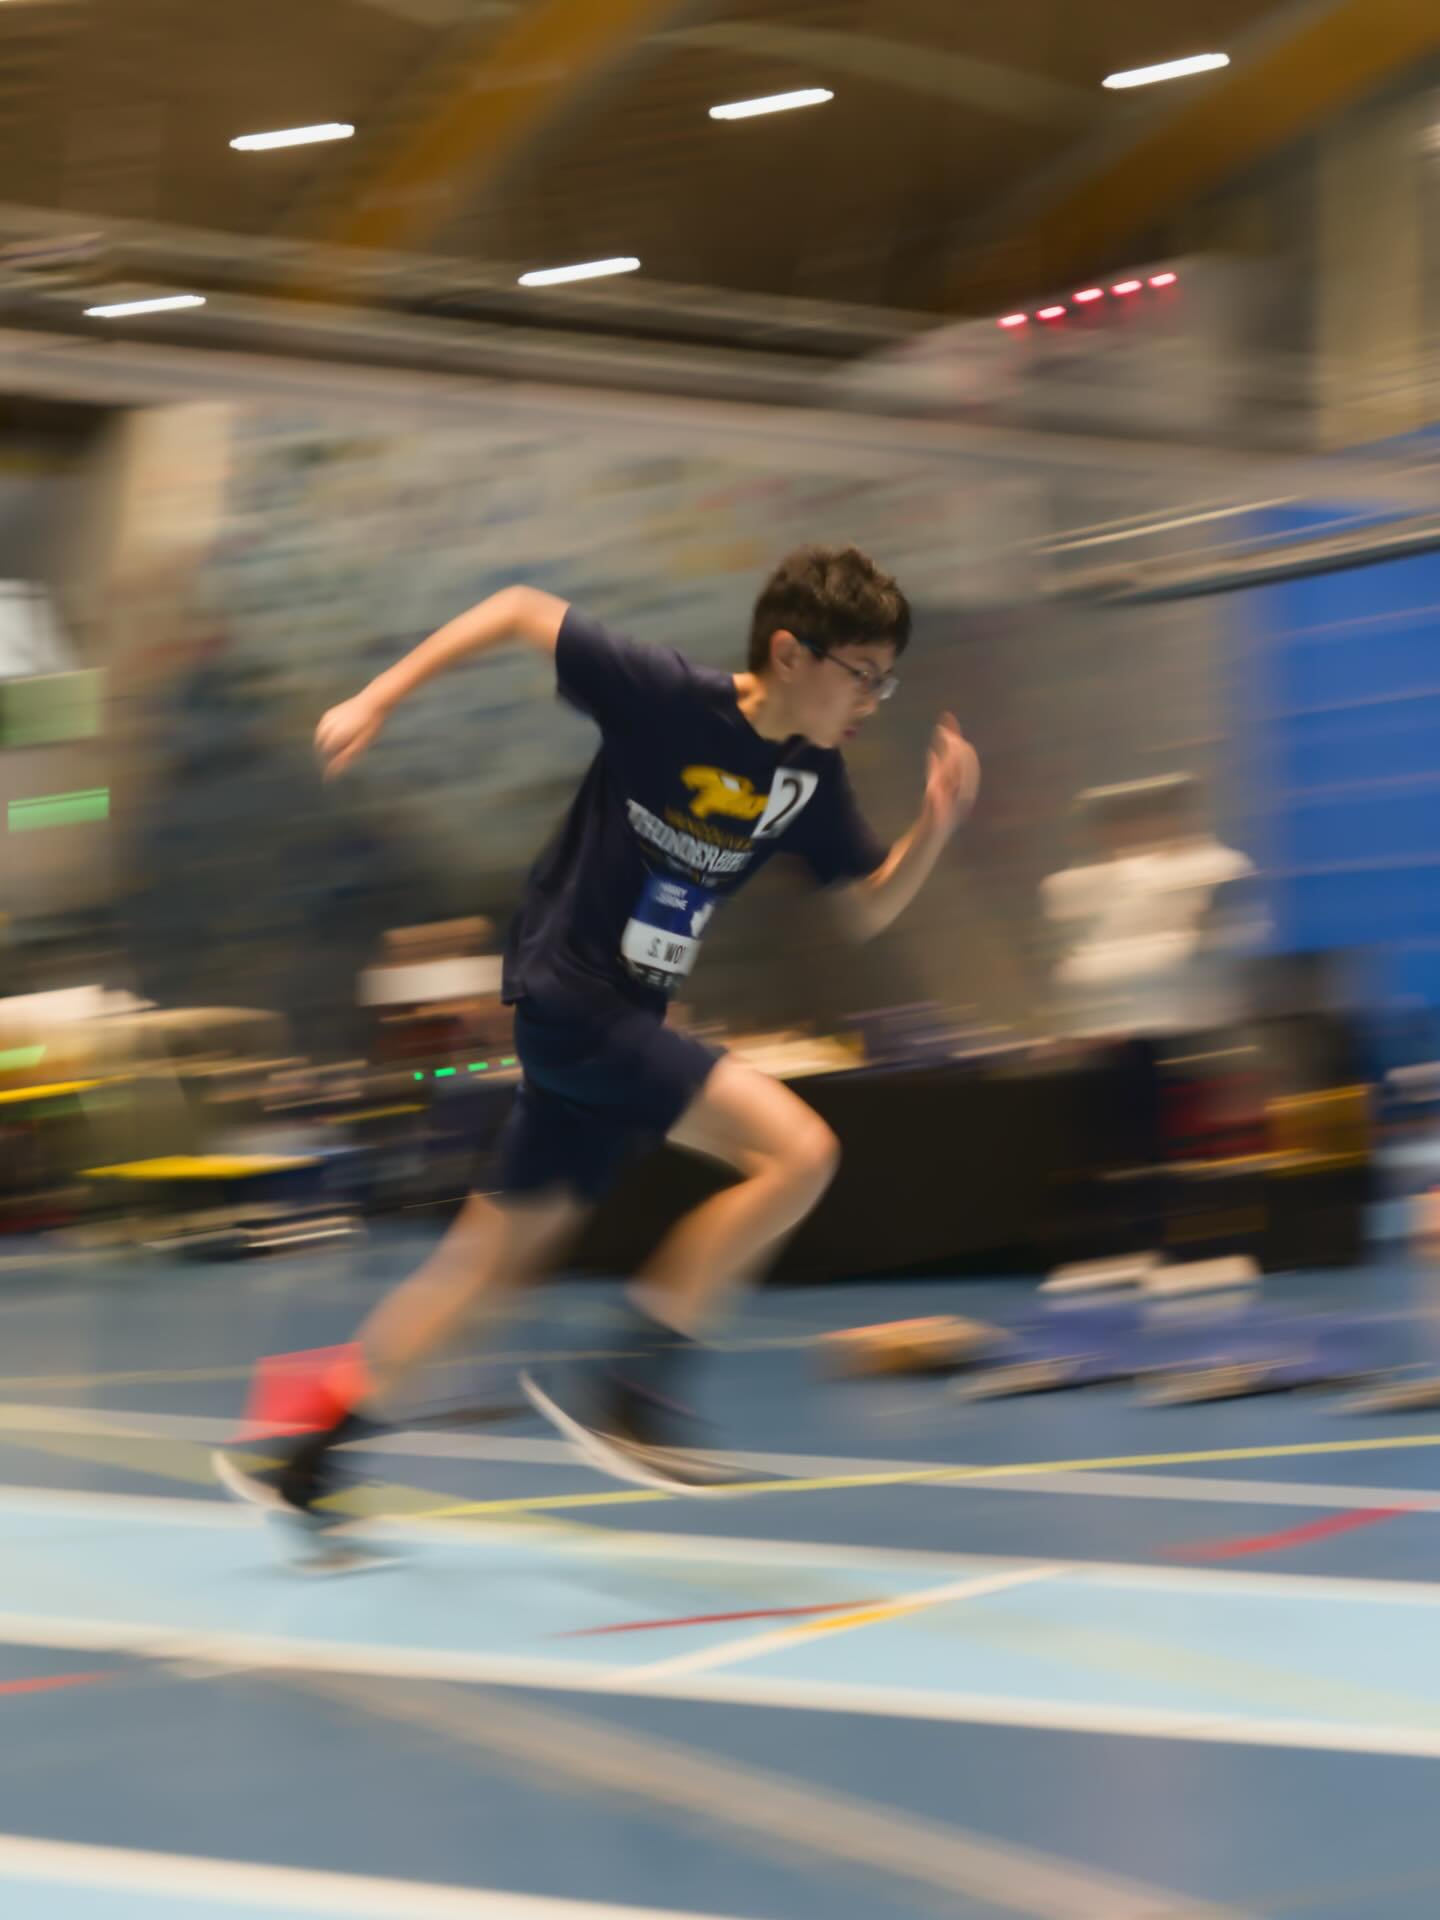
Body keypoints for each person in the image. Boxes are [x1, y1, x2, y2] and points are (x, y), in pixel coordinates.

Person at [215, 546, 979, 1521]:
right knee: (800, 1153)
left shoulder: (810, 779)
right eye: (863, 672)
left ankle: (313, 1457)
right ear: (792, 654)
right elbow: (520, 610)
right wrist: (377, 698)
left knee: (485, 1270)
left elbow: (868, 905)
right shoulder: (666, 699)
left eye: (887, 677)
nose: (875, 697)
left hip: (611, 1026)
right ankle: (631, 1384)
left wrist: (935, 828)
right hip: (574, 1001)